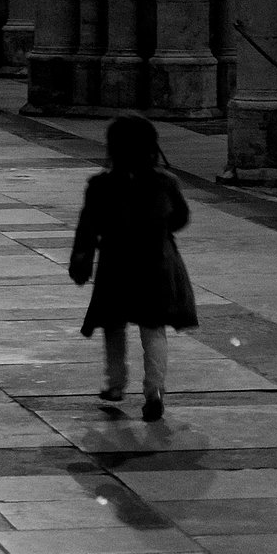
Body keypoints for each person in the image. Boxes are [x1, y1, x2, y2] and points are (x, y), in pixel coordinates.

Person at [69, 114, 197, 422]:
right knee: (153, 328)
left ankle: (115, 385)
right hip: (156, 264)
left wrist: (81, 260)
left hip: (116, 263)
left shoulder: (100, 185)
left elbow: (87, 226)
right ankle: (154, 391)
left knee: (113, 324)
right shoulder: (165, 182)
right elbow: (180, 218)